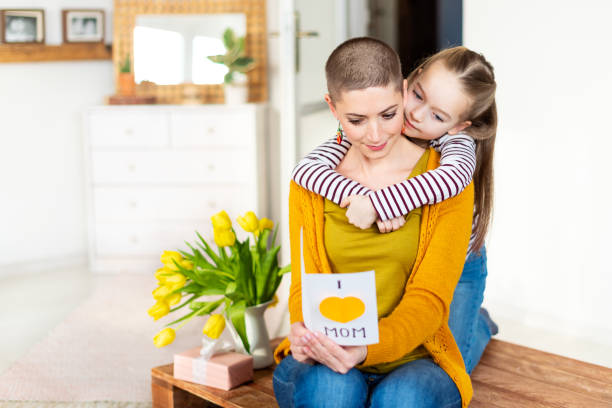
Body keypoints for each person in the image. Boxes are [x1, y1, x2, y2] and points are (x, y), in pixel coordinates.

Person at [273, 38, 497, 408]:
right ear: (411, 84)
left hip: (458, 267)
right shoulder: (320, 170)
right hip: (354, 328)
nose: (375, 134)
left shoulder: (453, 161)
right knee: (333, 390)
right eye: (357, 120)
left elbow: (429, 300)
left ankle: (479, 326)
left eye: (388, 115)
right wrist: (305, 330)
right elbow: (305, 281)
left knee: (453, 351)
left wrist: (381, 203)